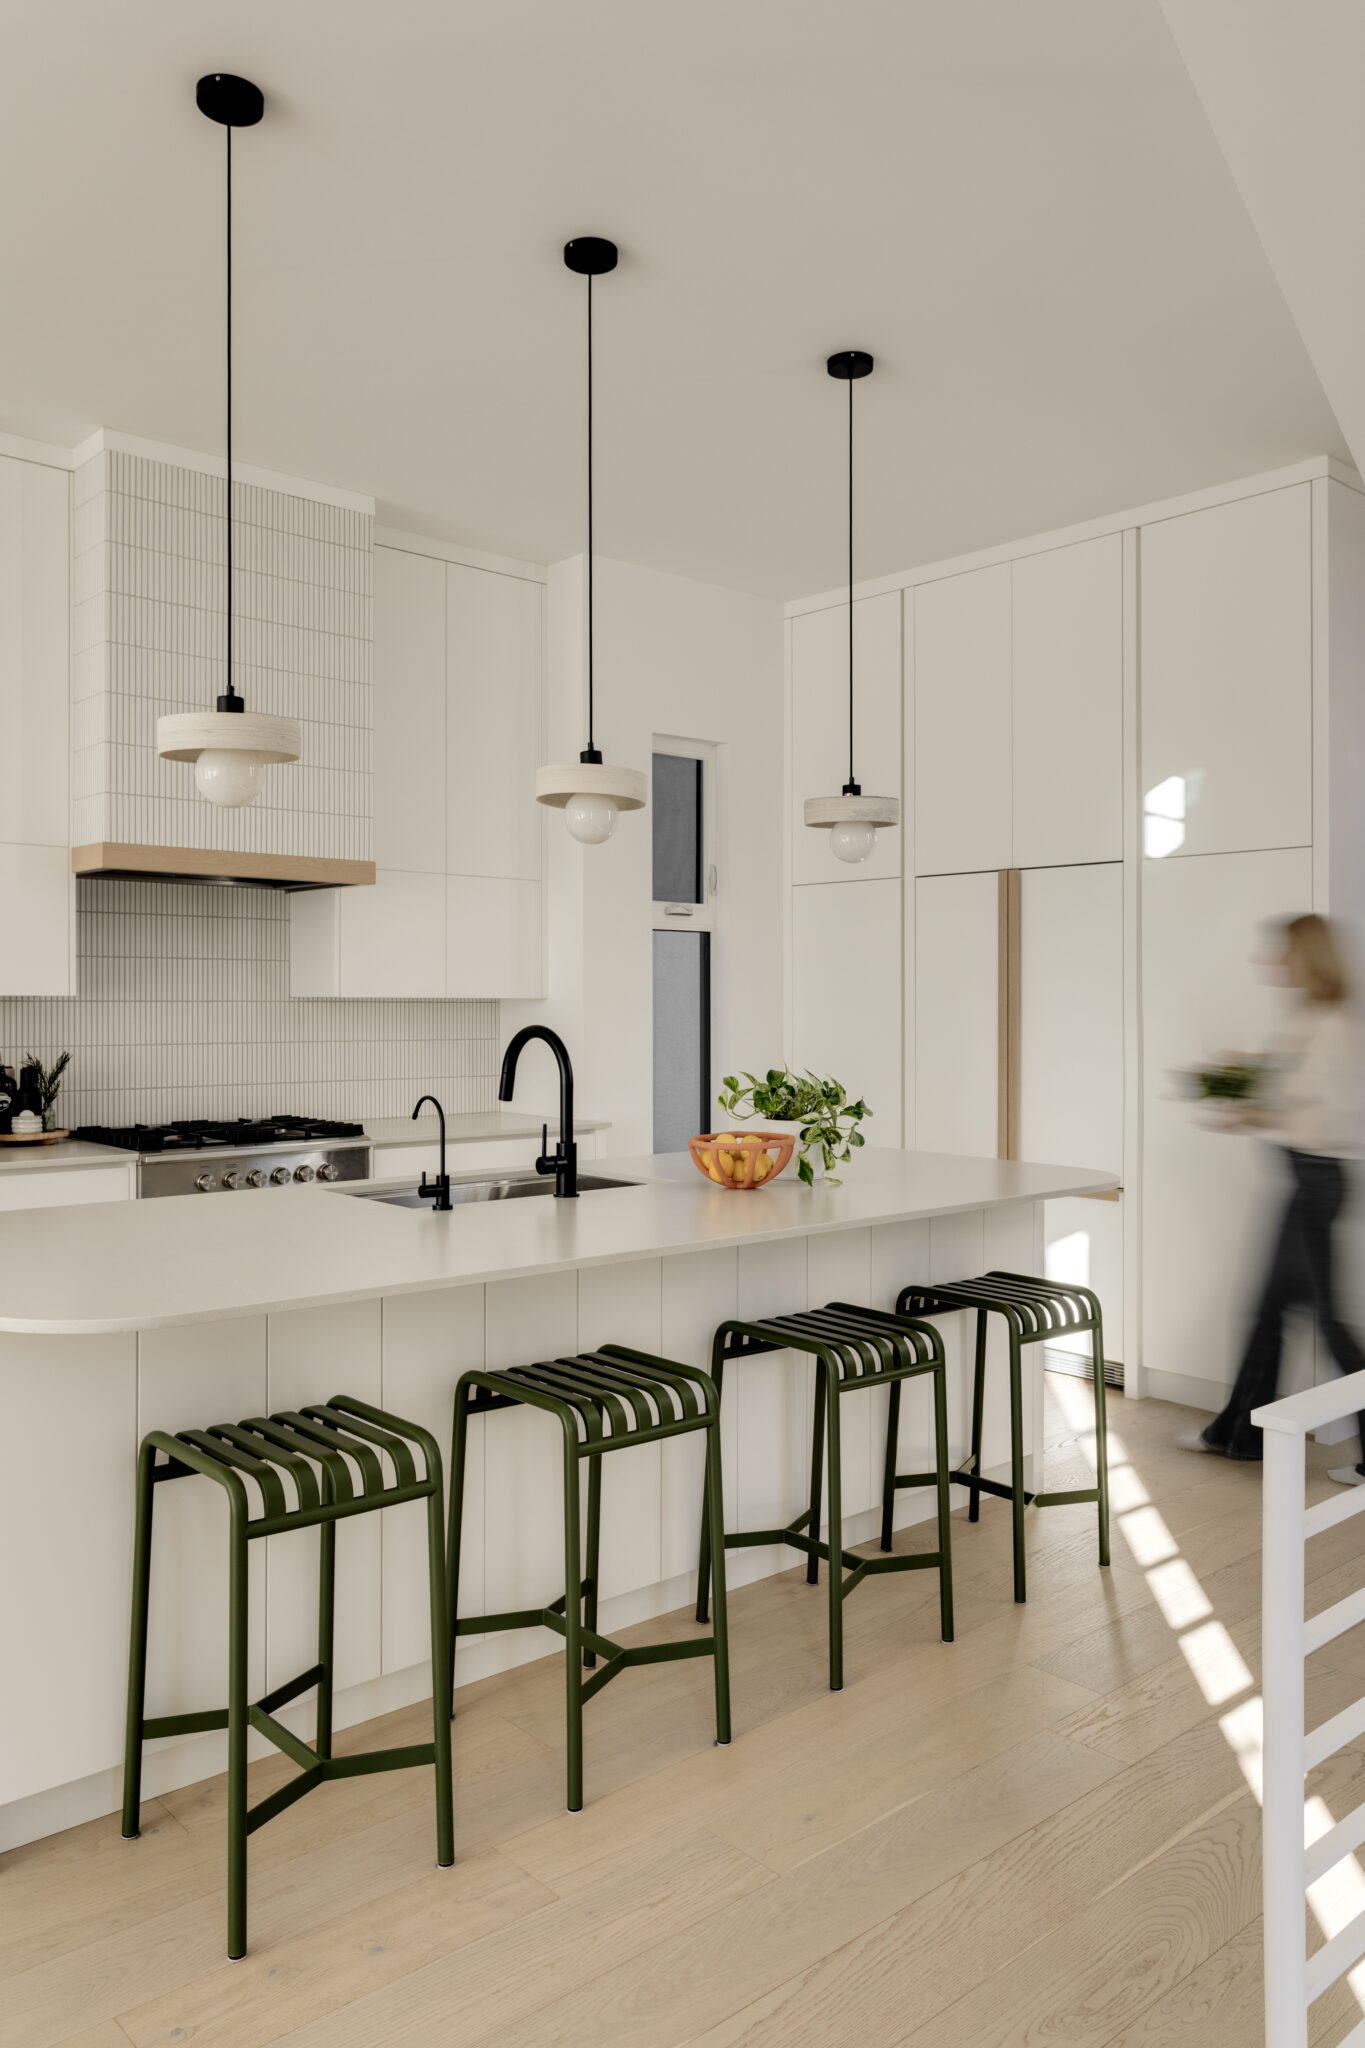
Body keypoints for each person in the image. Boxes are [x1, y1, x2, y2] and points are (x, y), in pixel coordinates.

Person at [1180, 913, 1365, 1480]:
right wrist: (1254, 1098)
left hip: (1316, 1181)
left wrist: (1256, 1109)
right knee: (1267, 1311)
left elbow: (1323, 1109)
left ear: (1306, 956)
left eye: (1281, 953)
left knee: (1329, 1322)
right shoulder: (1311, 1016)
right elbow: (1296, 1097)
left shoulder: (1332, 1024)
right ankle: (1238, 1434)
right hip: (1305, 1180)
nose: (1271, 962)